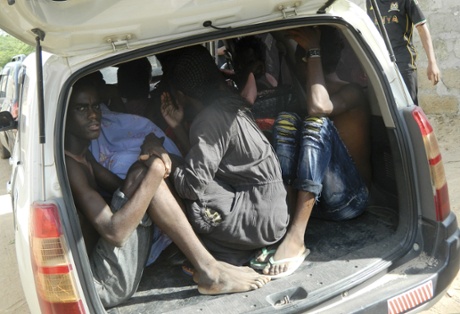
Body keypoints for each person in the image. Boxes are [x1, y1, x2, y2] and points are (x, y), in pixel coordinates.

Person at [64, 76, 270, 308]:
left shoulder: (84, 156)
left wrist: (149, 151)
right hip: (107, 282)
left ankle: (206, 260)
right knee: (146, 175)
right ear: (63, 117)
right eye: (81, 108)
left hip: (113, 266)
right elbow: (115, 233)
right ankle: (210, 270)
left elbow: (118, 188)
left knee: (139, 173)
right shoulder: (70, 167)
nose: (93, 114)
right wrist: (156, 168)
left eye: (95, 106)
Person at [148, 45, 290, 266]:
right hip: (273, 215)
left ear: (181, 95)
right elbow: (205, 164)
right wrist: (177, 127)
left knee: (159, 169)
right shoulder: (228, 105)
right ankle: (235, 249)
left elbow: (192, 186)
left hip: (257, 220)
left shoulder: (208, 120)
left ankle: (214, 253)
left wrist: (163, 157)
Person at [259, 26, 371, 278]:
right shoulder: (310, 87)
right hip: (316, 204)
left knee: (315, 121)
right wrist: (282, 37)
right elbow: (297, 65)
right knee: (287, 118)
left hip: (350, 201)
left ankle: (297, 237)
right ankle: (285, 222)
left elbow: (319, 107)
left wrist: (313, 50)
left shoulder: (350, 91)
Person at [366, 0, 441, 105]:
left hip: (403, 62)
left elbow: (422, 29)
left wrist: (432, 62)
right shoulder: (371, 2)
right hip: (380, 62)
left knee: (408, 106)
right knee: (384, 108)